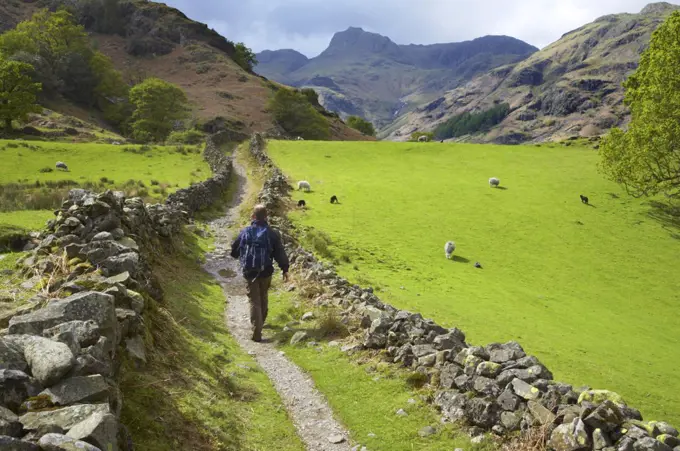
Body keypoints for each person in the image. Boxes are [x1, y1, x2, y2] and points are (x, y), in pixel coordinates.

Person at [231, 204, 289, 342]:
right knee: (263, 296)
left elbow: (234, 250)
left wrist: (241, 256)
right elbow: (279, 252)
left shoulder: (245, 231)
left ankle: (257, 331)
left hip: (249, 271)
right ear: (266, 217)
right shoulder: (271, 233)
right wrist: (285, 269)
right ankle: (260, 324)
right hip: (266, 270)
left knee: (254, 301)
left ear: (253, 216)